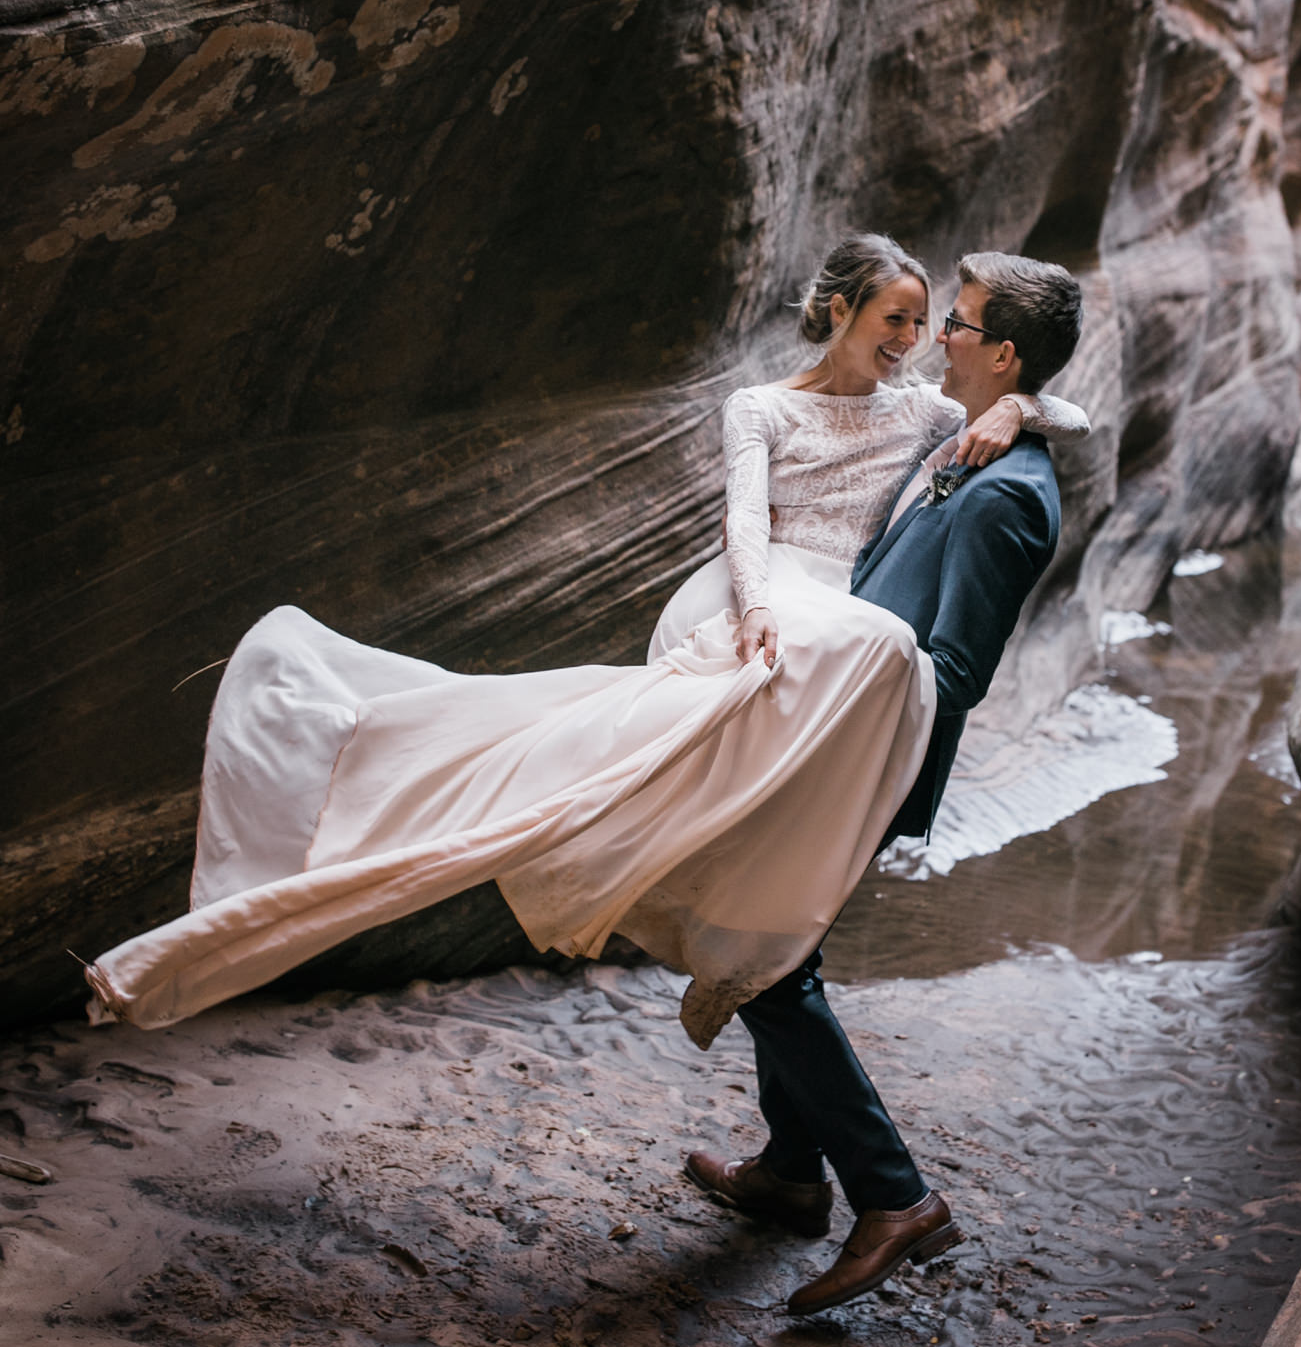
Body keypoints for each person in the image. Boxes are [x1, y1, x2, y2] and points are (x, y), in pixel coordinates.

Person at [84, 238, 1087, 1064]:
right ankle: (819, 1170)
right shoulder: (771, 408)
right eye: (900, 320)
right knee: (581, 787)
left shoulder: (936, 418)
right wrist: (754, 609)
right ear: (838, 313)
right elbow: (744, 524)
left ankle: (854, 1183)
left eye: (936, 322)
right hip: (772, 642)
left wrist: (1025, 405)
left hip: (838, 676)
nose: (920, 339)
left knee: (757, 921)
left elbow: (1053, 417)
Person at [685, 250, 1085, 1316]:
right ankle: (785, 1171)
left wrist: (827, 678)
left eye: (954, 324)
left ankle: (894, 1197)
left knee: (767, 962)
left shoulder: (1009, 498)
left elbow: (952, 672)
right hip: (829, 730)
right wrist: (1027, 408)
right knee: (781, 944)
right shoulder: (973, 441)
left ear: (1000, 352)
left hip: (861, 753)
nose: (935, 338)